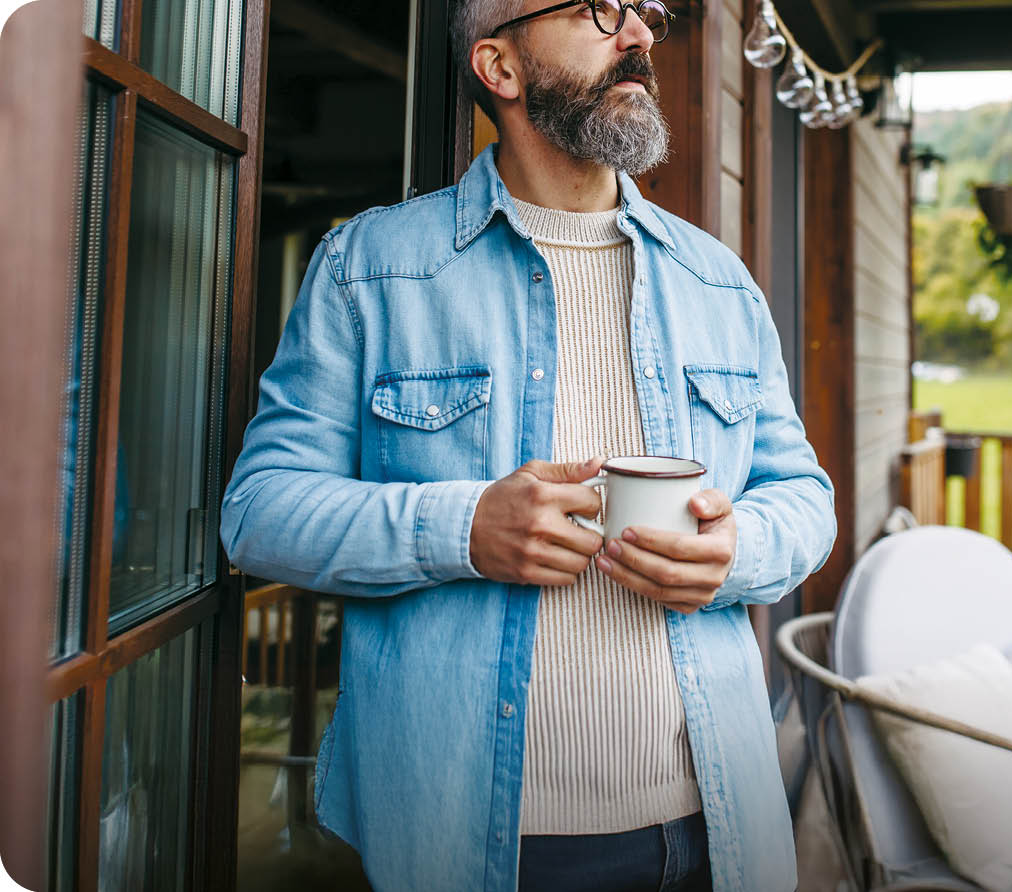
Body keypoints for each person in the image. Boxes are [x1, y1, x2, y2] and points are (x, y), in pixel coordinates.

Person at [219, 0, 836, 887]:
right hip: (469, 841)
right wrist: (463, 529)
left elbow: (803, 497)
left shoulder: (718, 282)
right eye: (599, 11)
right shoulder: (371, 271)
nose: (638, 36)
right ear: (499, 70)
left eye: (644, 13)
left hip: (718, 826)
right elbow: (259, 511)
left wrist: (738, 550)